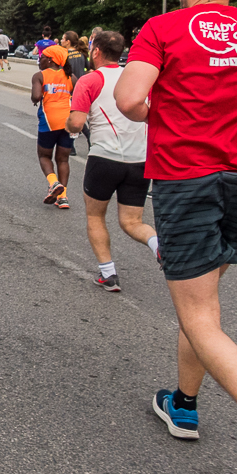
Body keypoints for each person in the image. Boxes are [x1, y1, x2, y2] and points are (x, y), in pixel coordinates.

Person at [115, 0, 237, 441]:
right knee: (203, 304)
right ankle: (184, 404)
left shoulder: (164, 27)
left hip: (186, 177)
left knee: (199, 315)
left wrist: (166, 115)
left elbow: (129, 99)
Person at [65, 31, 159, 292]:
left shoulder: (90, 80)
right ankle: (159, 246)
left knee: (95, 216)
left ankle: (108, 273)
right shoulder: (139, 78)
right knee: (132, 222)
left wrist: (67, 125)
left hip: (104, 158)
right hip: (140, 160)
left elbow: (76, 123)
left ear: (95, 52)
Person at [30, 44, 74, 207]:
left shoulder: (39, 76)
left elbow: (36, 96)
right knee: (63, 159)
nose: (39, 60)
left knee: (44, 156)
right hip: (68, 122)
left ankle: (54, 183)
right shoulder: (70, 76)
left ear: (50, 60)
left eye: (41, 57)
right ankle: (63, 197)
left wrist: (39, 97)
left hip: (49, 121)